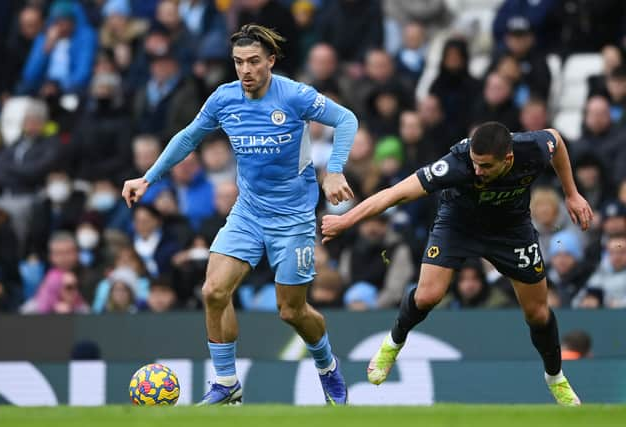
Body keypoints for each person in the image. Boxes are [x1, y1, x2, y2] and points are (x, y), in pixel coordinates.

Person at [122, 24, 357, 405]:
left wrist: (334, 170)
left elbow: (346, 119)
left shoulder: (294, 95)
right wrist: (148, 178)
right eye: (238, 62)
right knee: (214, 291)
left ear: (270, 61)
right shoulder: (224, 99)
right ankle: (227, 383)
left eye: (252, 61)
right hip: (247, 213)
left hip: (294, 218)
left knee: (291, 311)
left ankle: (328, 368)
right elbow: (188, 137)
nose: (244, 70)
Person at [322, 122, 593, 406]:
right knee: (428, 295)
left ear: (508, 159)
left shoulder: (533, 148)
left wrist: (571, 193)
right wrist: (345, 220)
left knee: (537, 313)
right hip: (458, 226)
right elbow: (395, 193)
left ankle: (555, 377)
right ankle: (393, 342)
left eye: (486, 166)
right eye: (475, 163)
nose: (477, 171)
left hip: (511, 229)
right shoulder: (456, 164)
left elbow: (558, 141)